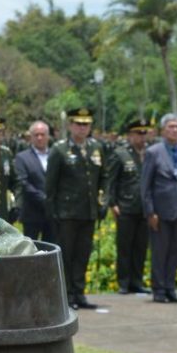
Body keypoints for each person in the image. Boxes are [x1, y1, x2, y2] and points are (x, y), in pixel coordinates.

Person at [45, 107, 108, 310]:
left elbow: (103, 178)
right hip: (67, 213)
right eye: (79, 124)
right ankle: (67, 295)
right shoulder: (60, 149)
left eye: (86, 124)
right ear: (71, 125)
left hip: (88, 211)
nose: (82, 128)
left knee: (83, 254)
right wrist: (52, 212)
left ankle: (79, 293)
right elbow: (50, 185)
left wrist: (103, 201)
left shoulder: (96, 148)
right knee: (67, 255)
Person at [141, 113, 177, 304]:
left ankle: (170, 287)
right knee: (160, 251)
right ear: (163, 130)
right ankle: (159, 289)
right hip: (160, 210)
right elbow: (145, 185)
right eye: (171, 127)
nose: (175, 130)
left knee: (175, 250)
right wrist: (150, 211)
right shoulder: (154, 152)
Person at [106, 119, 150, 295]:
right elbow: (111, 181)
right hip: (125, 206)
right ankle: (123, 282)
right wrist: (112, 203)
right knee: (125, 247)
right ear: (130, 135)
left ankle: (137, 281)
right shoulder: (120, 154)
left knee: (141, 247)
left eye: (144, 133)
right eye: (138, 134)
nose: (141, 137)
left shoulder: (148, 154)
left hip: (144, 208)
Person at [13, 120, 55, 242]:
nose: (39, 138)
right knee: (31, 249)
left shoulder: (55, 154)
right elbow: (23, 182)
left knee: (51, 249)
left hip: (53, 213)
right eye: (36, 135)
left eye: (43, 134)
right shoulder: (22, 157)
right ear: (30, 137)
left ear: (48, 136)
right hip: (32, 212)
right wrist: (44, 199)